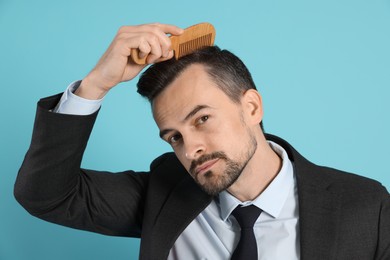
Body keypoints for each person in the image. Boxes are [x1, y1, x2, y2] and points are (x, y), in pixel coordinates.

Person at [15, 23, 390, 260]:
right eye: (174, 136)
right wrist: (95, 85)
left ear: (252, 106)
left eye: (203, 119)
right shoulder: (162, 195)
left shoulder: (366, 207)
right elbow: (45, 195)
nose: (190, 148)